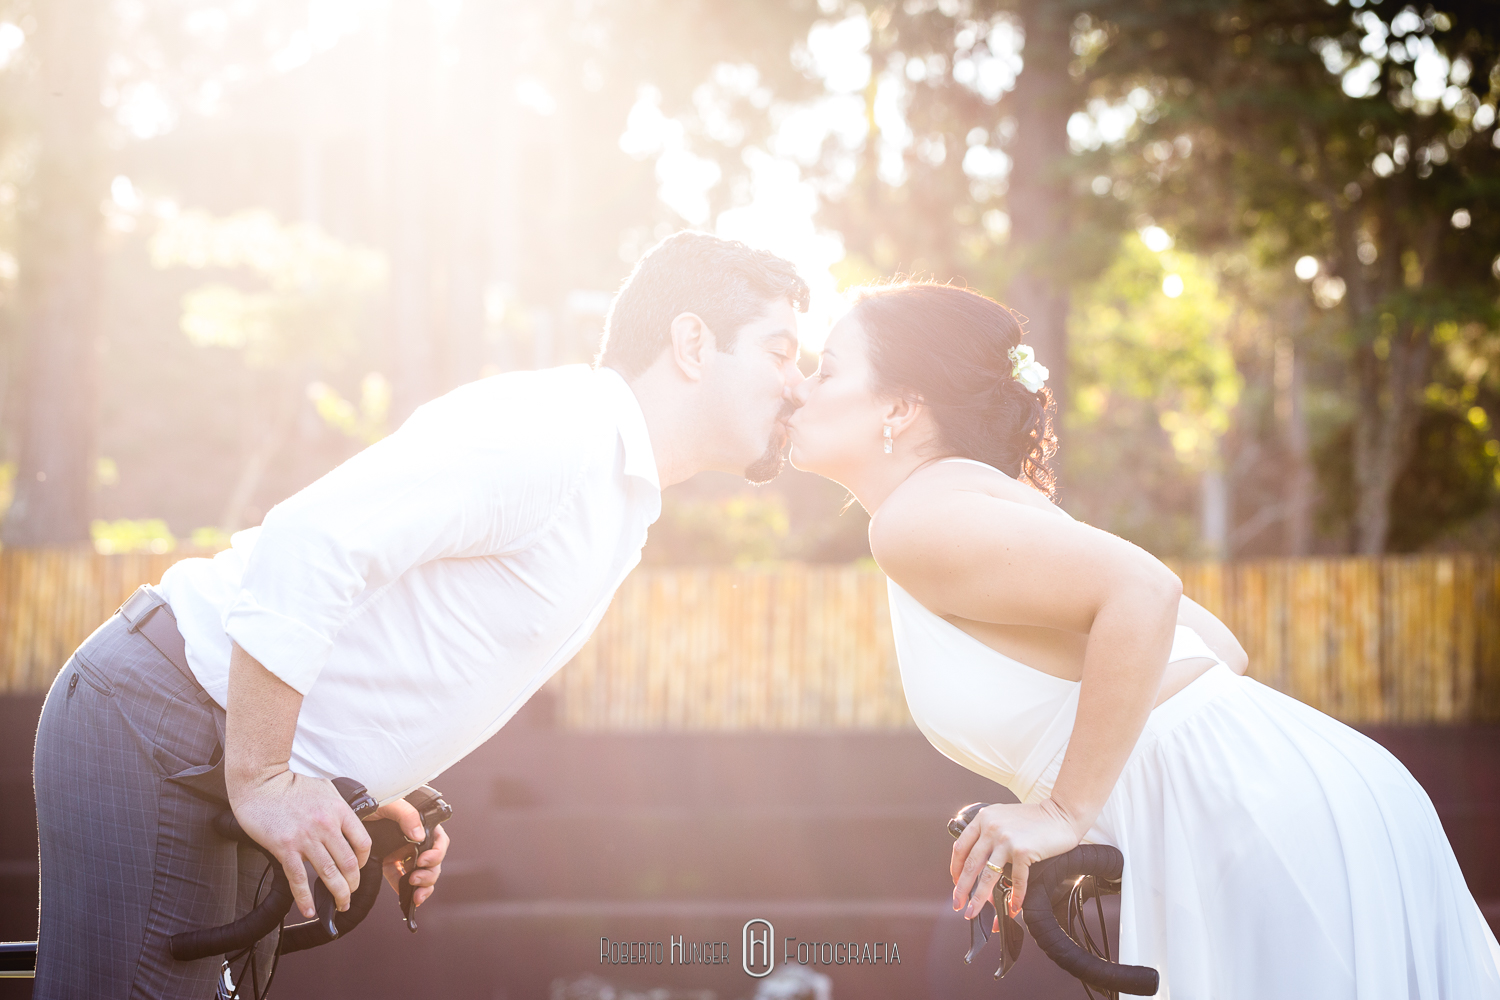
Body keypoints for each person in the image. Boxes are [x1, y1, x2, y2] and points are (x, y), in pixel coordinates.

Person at [32, 231, 809, 998]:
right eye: (780, 353)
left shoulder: (618, 493)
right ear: (693, 343)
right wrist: (265, 775)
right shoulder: (561, 433)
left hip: (200, 732)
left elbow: (416, 622)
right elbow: (311, 541)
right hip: (162, 720)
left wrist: (372, 783)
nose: (797, 385)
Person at [784, 279, 1500, 998]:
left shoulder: (913, 520)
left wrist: (1066, 811)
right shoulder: (963, 501)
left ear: (902, 407)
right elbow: (1217, 646)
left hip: (1255, 816)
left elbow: (1147, 592)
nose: (801, 387)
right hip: (1295, 787)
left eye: (828, 368)